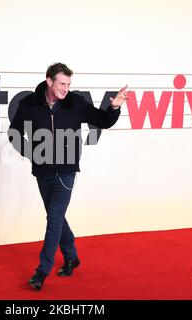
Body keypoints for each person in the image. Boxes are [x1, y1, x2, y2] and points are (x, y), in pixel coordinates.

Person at [7, 62, 128, 290]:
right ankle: (72, 256)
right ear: (49, 81)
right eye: (62, 83)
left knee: (53, 219)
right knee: (58, 218)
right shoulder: (30, 104)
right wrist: (30, 153)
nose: (65, 88)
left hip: (66, 172)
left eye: (69, 84)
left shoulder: (75, 103)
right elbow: (13, 132)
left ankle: (41, 272)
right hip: (42, 172)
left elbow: (102, 120)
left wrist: (114, 107)